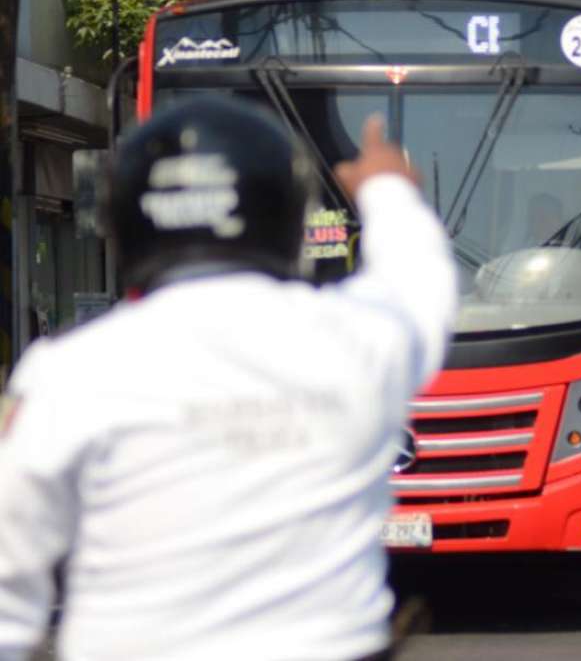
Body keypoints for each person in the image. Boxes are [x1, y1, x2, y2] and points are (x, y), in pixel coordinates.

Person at [0, 96, 456, 661]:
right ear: (290, 216)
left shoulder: (68, 372)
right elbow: (420, 284)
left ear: (123, 223)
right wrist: (388, 191)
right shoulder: (358, 342)